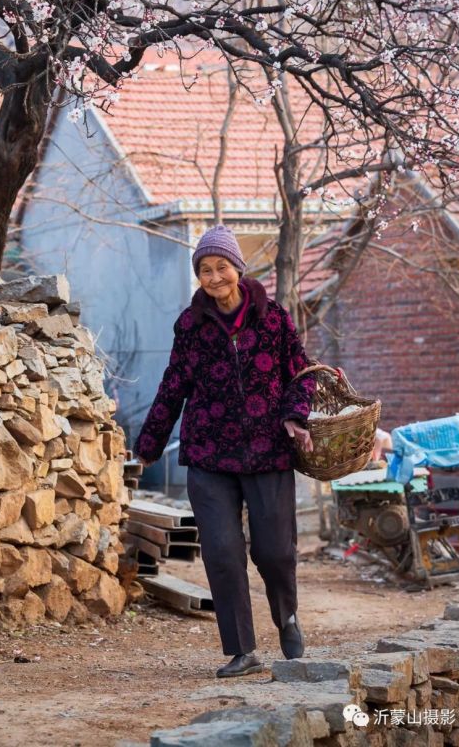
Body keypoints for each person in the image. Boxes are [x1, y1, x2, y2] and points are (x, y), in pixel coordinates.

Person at [134, 224, 316, 678]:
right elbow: (173, 385)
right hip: (209, 455)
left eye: (221, 267)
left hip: (268, 452)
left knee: (275, 551)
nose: (214, 277)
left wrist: (295, 413)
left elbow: (304, 373)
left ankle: (287, 617)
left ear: (238, 268)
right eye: (204, 270)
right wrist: (149, 444)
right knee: (221, 551)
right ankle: (243, 649)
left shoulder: (274, 318)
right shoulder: (190, 325)